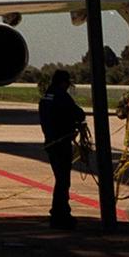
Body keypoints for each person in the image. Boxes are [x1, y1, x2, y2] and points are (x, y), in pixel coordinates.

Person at [38, 69, 86, 229]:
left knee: (61, 179)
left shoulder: (46, 97)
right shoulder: (61, 96)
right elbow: (79, 114)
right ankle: (59, 214)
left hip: (50, 142)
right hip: (61, 142)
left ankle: (61, 211)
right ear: (63, 82)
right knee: (63, 180)